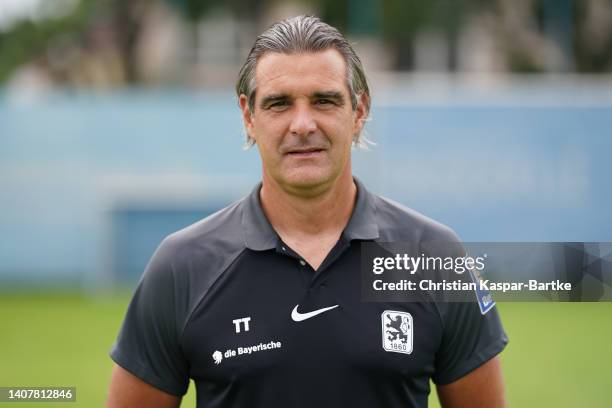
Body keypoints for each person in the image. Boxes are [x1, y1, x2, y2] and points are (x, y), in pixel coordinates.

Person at [107, 15, 508, 408]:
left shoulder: (433, 256)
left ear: (359, 111)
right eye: (279, 103)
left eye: (324, 100)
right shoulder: (182, 266)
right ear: (249, 116)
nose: (302, 124)